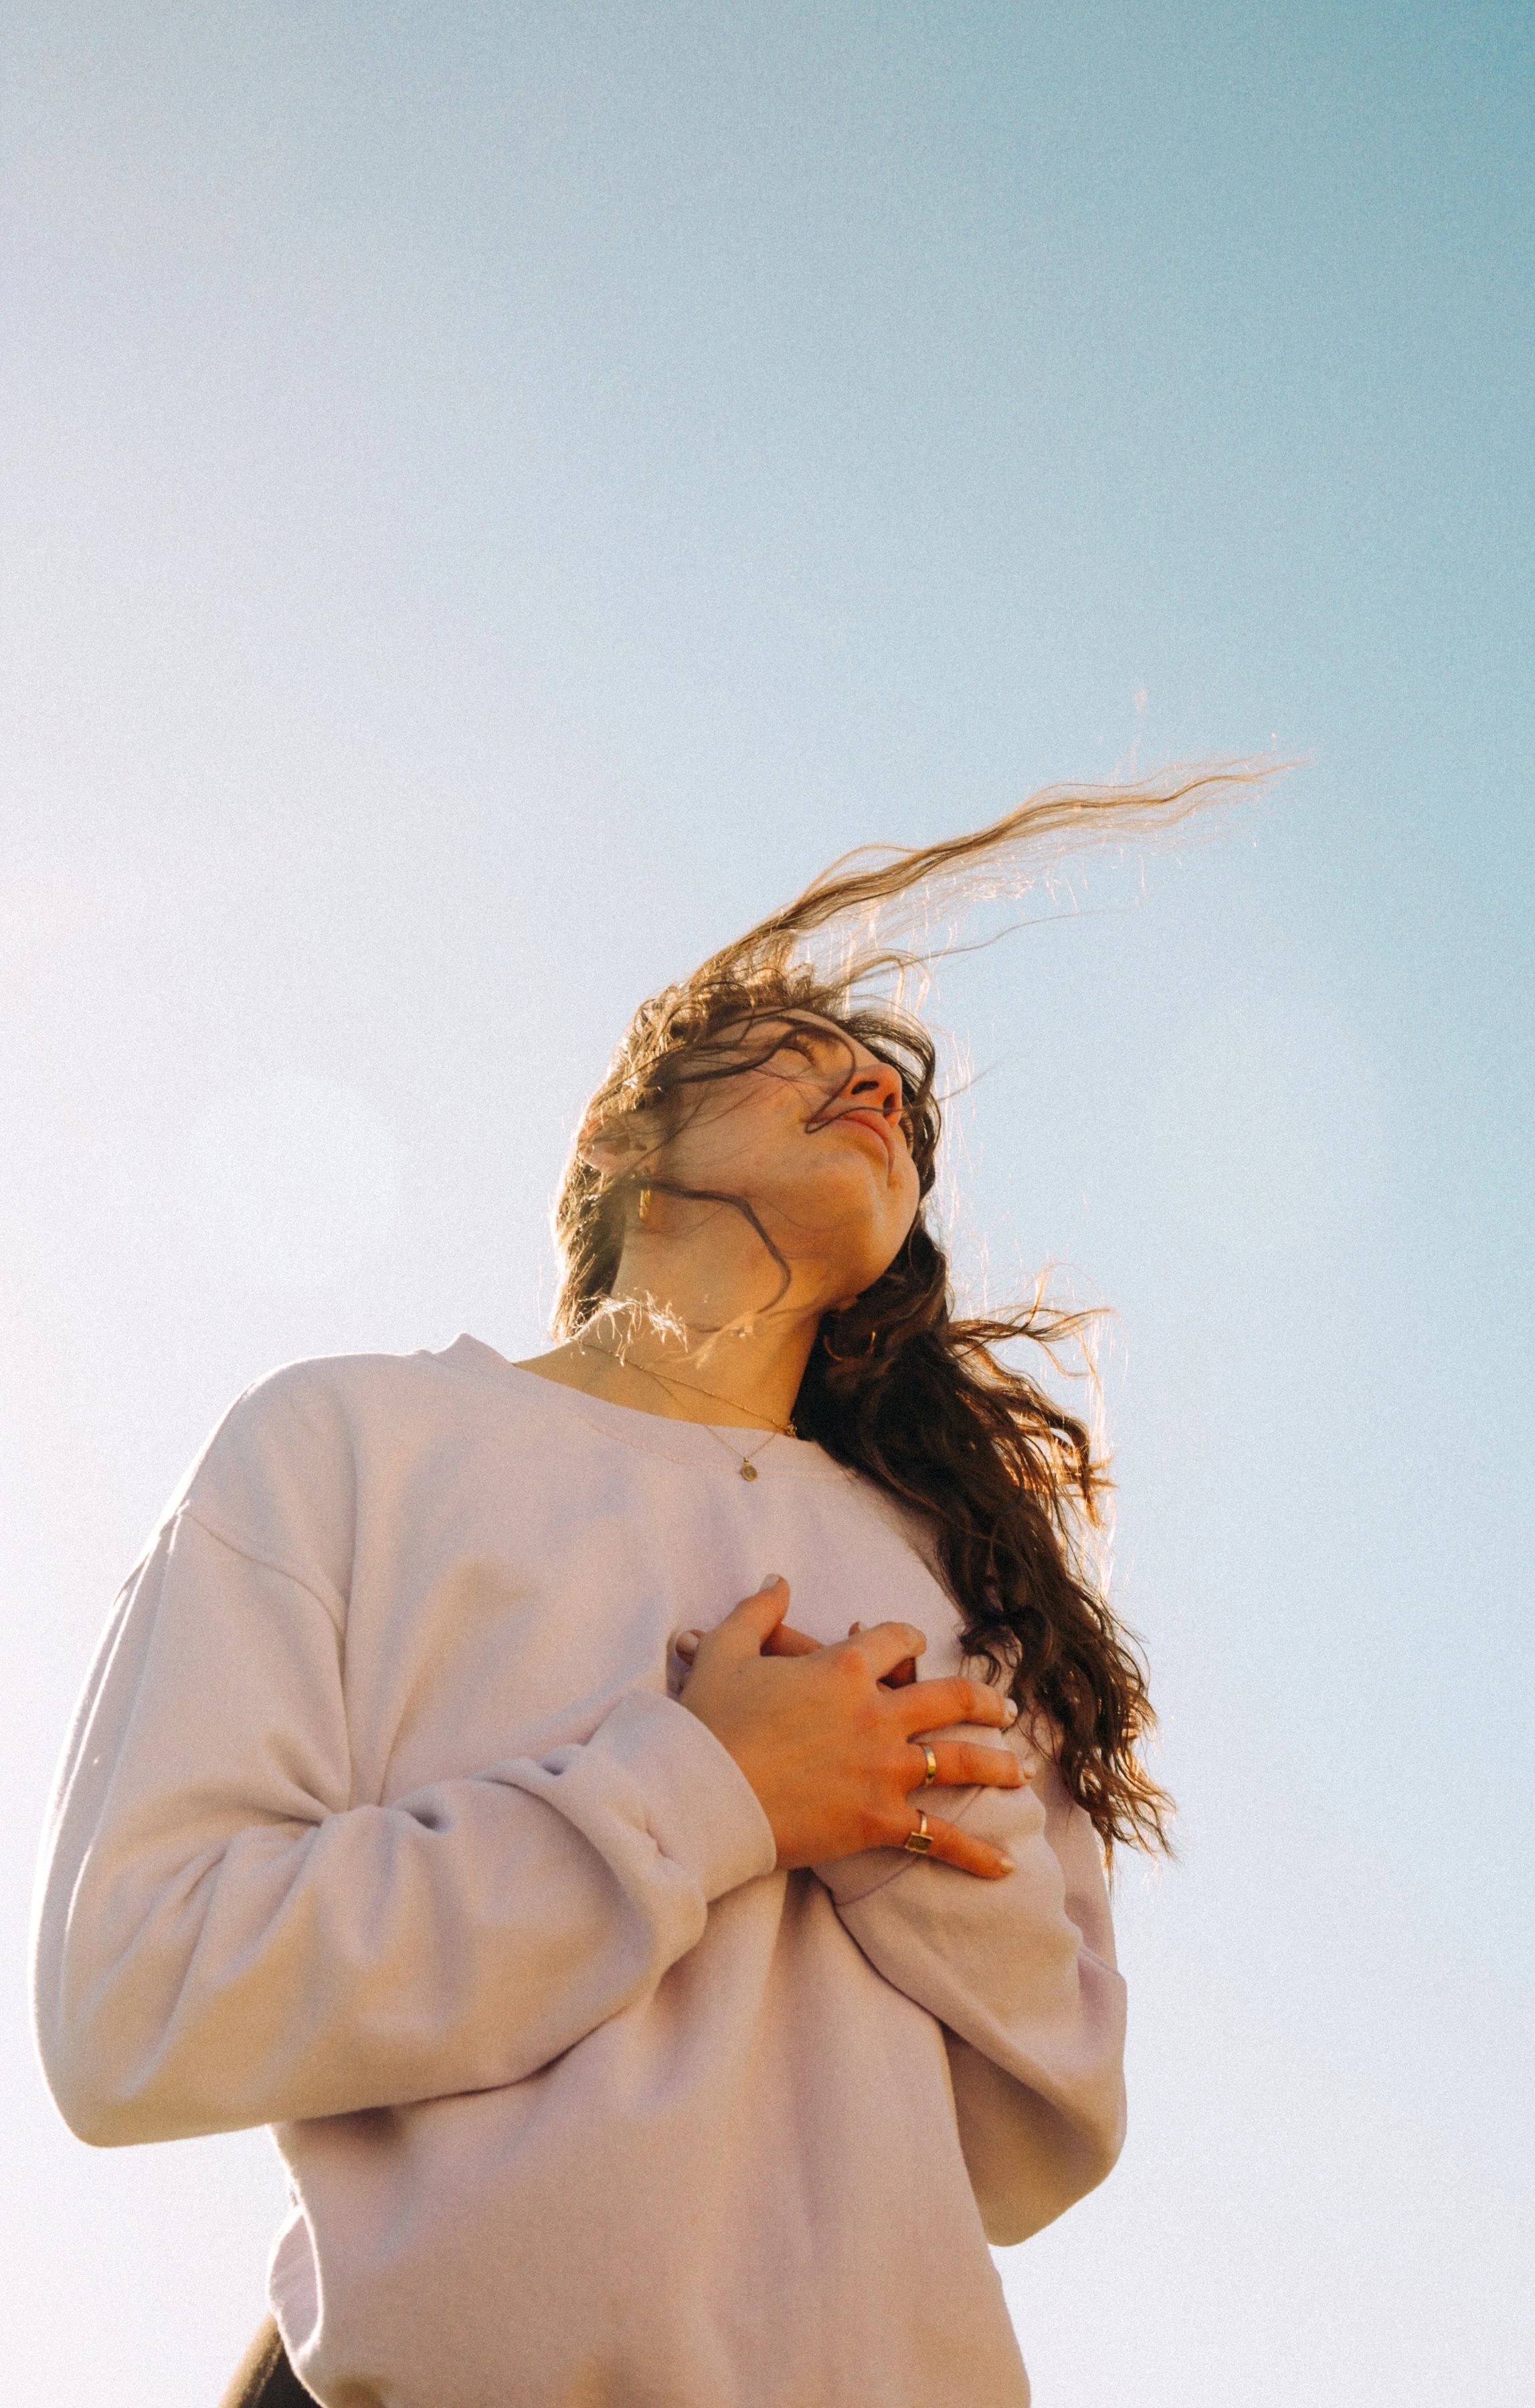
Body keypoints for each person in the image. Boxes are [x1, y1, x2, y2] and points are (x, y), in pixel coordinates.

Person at [32, 767, 1275, 2408]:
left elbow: (1042, 2128)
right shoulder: (350, 1437)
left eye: (898, 1096)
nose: (873, 1093)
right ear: (617, 1139)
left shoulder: (945, 1576)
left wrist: (877, 1815)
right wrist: (708, 1792)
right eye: (799, 1055)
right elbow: (140, 1997)